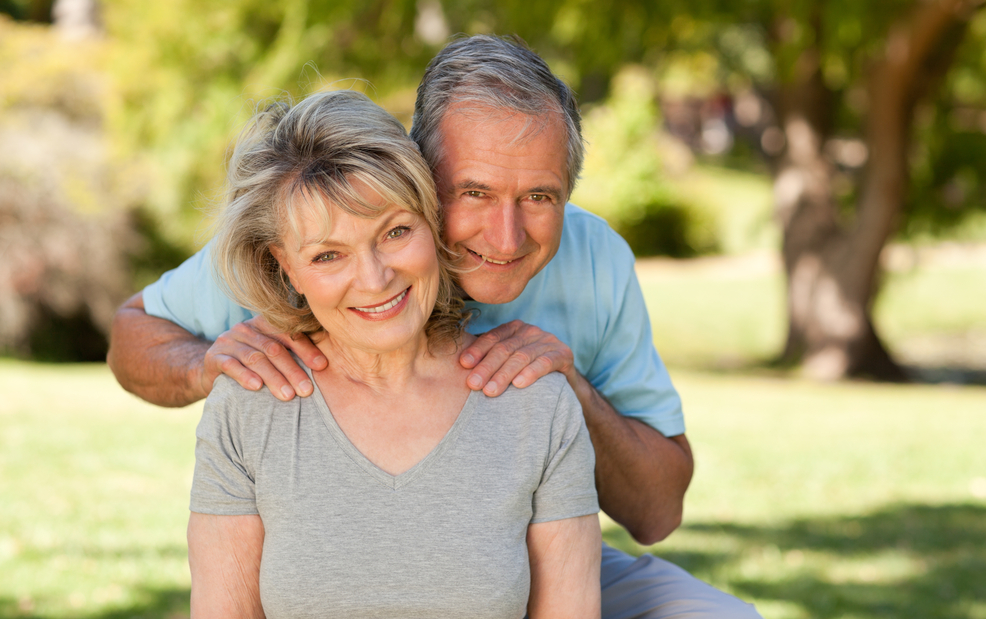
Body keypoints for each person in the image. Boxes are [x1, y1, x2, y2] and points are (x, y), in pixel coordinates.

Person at [108, 35, 762, 618]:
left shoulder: (594, 259)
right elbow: (134, 334)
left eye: (539, 196)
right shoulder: (326, 227)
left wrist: (574, 391)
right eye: (474, 192)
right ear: (418, 173)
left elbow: (657, 510)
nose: (506, 237)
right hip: (331, 547)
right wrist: (209, 363)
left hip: (531, 545)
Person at [186, 89, 602, 618]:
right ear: (284, 266)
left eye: (396, 232)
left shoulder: (537, 406)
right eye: (328, 255)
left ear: (433, 221)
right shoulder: (247, 410)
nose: (375, 279)